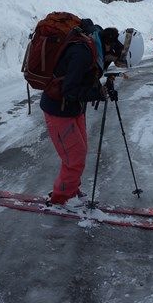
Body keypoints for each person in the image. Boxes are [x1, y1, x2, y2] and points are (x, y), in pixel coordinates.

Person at [40, 18, 106, 205]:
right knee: (75, 157)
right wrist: (97, 93)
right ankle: (61, 198)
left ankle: (71, 189)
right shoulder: (82, 52)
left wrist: (100, 87)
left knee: (78, 153)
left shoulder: (95, 46)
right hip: (58, 110)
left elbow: (85, 78)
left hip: (74, 110)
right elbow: (69, 91)